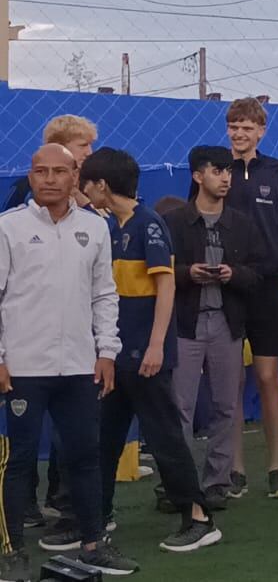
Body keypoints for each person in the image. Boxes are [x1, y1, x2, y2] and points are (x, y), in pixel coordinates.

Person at [73, 148, 221, 555]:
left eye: (86, 183)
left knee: (165, 437)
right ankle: (96, 518)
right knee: (103, 439)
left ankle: (199, 517)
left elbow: (166, 286)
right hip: (116, 354)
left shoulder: (148, 224)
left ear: (102, 184)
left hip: (145, 354)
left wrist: (157, 345)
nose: (83, 192)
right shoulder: (109, 225)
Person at [0, 145, 132, 579]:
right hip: (23, 367)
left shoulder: (94, 228)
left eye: (60, 171)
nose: (50, 179)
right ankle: (12, 550)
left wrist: (106, 351)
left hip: (79, 366)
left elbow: (104, 293)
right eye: (41, 171)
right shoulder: (8, 228)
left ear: (76, 176)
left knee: (85, 455)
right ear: (31, 176)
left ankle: (94, 543)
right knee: (20, 459)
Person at [170, 146, 274, 511]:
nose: (225, 177)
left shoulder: (241, 224)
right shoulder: (175, 222)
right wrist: (188, 274)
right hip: (185, 323)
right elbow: (161, 273)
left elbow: (260, 272)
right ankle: (181, 484)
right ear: (198, 176)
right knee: (180, 406)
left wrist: (233, 274)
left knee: (226, 406)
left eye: (228, 170)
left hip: (226, 324)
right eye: (217, 171)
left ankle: (216, 481)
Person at [221, 97, 278, 499]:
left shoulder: (277, 171)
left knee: (267, 376)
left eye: (247, 126)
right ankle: (235, 469)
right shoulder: (216, 168)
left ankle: (277, 467)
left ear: (261, 131)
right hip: (228, 287)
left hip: (268, 287)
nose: (239, 133)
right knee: (230, 380)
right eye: (234, 125)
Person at [3, 115, 98, 212]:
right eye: (83, 145)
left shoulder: (94, 183)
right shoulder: (25, 187)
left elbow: (106, 223)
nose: (89, 152)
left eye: (90, 145)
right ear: (59, 146)